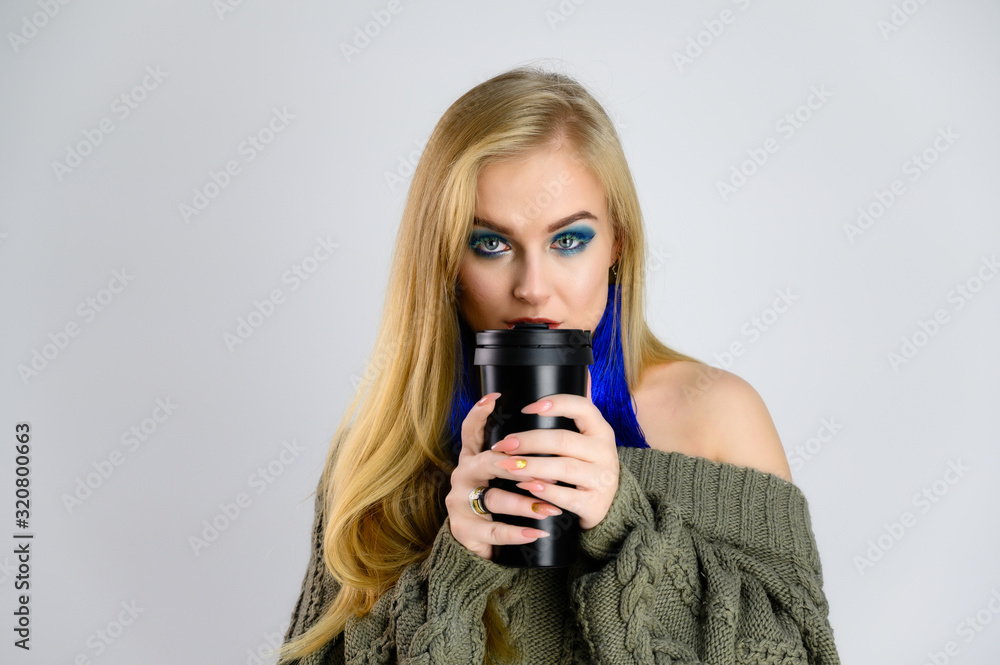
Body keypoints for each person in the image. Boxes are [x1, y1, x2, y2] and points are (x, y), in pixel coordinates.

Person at [276, 64, 840, 664]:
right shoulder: (379, 457)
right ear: (443, 259)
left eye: (568, 240)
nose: (534, 288)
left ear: (617, 243)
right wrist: (456, 568)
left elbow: (799, 655)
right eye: (490, 244)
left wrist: (623, 524)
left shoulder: (717, 416)